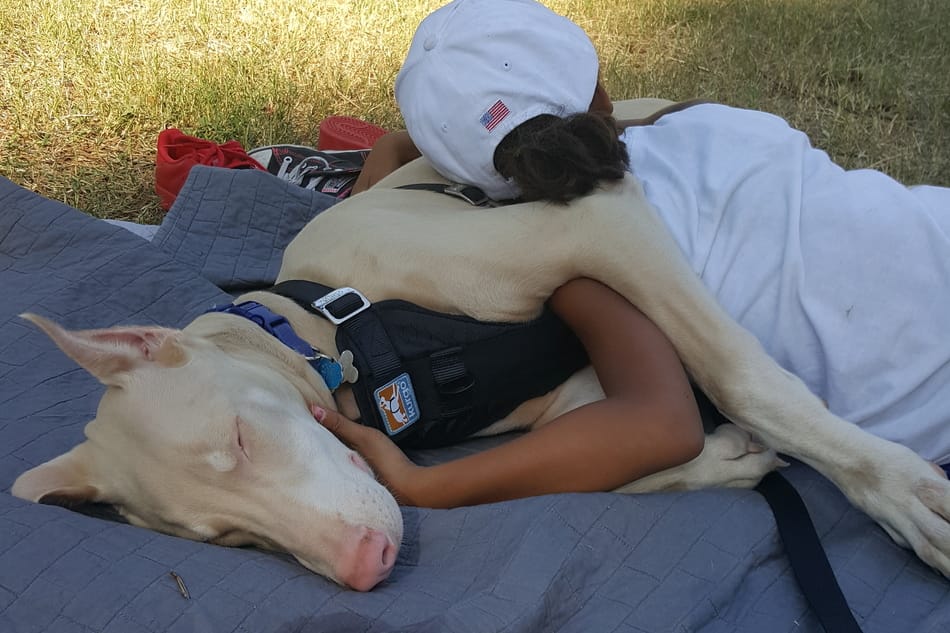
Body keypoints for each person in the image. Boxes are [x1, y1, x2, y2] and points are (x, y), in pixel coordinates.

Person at [326, 0, 950, 495]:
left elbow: (658, 426)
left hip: (926, 414)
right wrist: (391, 147)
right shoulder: (709, 123)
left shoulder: (588, 262)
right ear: (597, 80)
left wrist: (423, 487)